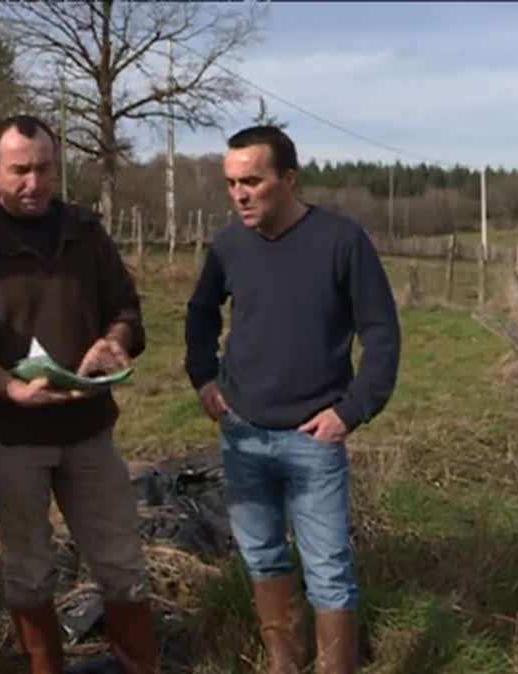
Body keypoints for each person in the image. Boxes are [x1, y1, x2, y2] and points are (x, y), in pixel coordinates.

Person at [0, 114, 159, 674]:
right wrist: (9, 388)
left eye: (44, 169)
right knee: (30, 567)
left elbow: (126, 309)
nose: (33, 183)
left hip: (87, 430)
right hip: (12, 436)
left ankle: (140, 665)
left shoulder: (84, 233)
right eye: (19, 171)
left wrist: (113, 341)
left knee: (122, 562)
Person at [184, 125, 401, 674]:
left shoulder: (340, 241)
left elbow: (382, 334)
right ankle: (285, 664)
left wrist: (350, 411)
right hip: (244, 432)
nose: (240, 194)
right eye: (232, 183)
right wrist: (204, 378)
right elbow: (201, 312)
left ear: (289, 179)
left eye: (253, 181)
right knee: (261, 555)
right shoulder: (229, 245)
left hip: (313, 438)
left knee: (328, 566)